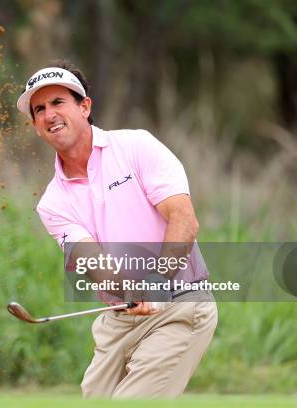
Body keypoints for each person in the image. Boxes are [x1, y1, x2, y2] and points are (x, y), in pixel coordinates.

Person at [15, 62, 218, 398]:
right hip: (119, 318)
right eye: (39, 109)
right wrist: (127, 289)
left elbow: (184, 220)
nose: (49, 114)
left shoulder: (136, 147)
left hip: (179, 303)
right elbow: (91, 260)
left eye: (58, 102)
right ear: (36, 125)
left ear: (85, 106)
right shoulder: (52, 203)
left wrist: (155, 282)